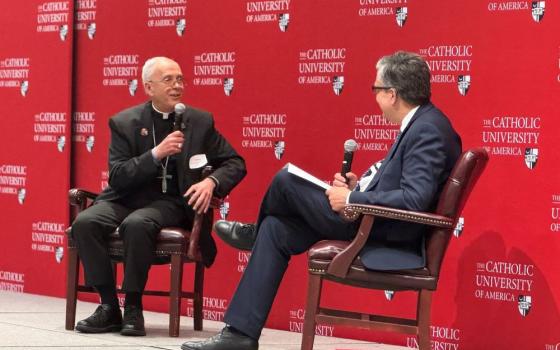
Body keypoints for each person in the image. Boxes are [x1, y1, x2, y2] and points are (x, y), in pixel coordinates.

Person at [181, 51, 462, 350]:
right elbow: (405, 186)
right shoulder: (423, 123)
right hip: (373, 221)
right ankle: (239, 335)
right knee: (275, 229)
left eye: (376, 90)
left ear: (392, 94)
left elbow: (414, 198)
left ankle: (253, 232)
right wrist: (361, 185)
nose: (375, 98)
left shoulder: (427, 129)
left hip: (380, 232)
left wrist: (353, 198)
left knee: (286, 180)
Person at [71, 56, 246, 336]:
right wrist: (156, 154)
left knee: (138, 224)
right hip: (123, 198)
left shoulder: (199, 122)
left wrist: (211, 182)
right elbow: (118, 175)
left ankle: (132, 307)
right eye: (168, 80)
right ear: (148, 87)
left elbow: (235, 163)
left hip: (170, 202)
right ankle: (108, 306)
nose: (177, 86)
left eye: (180, 79)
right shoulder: (124, 122)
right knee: (84, 223)